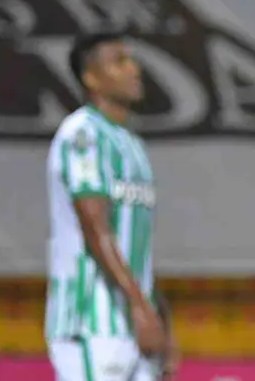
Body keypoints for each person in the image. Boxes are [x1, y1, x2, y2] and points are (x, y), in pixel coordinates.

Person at [46, 33, 177, 381]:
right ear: (91, 78)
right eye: (119, 61)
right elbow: (95, 227)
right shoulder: (83, 135)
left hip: (135, 323)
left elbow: (136, 246)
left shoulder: (131, 143)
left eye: (131, 60)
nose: (134, 69)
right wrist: (139, 306)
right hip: (92, 322)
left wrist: (161, 319)